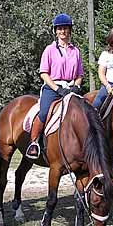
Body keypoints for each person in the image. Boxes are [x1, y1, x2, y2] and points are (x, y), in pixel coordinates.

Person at [25, 13, 84, 159]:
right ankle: (34, 143)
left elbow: (80, 75)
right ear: (56, 31)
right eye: (60, 29)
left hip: (70, 88)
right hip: (53, 87)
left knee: (83, 113)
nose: (62, 32)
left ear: (69, 30)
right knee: (44, 112)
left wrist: (76, 86)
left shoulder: (75, 51)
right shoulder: (49, 50)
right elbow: (44, 73)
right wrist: (58, 89)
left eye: (65, 28)